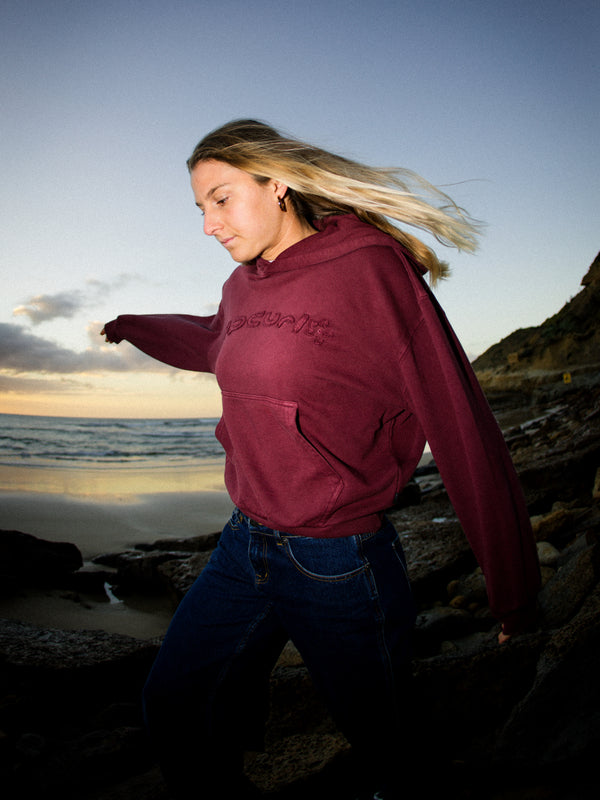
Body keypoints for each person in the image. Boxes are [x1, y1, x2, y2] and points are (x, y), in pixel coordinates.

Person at [101, 119, 540, 799]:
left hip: (338, 560)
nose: (209, 225)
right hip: (245, 547)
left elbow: (460, 422)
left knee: (389, 754)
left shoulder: (371, 271)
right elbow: (216, 339)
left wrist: (512, 591)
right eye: (199, 208)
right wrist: (136, 325)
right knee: (175, 704)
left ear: (277, 184)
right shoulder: (242, 286)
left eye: (221, 198)